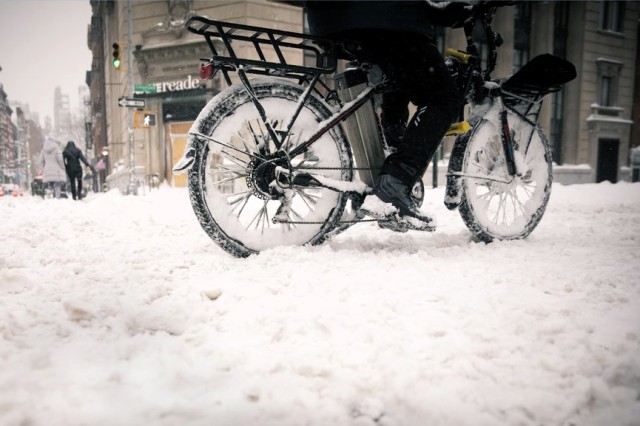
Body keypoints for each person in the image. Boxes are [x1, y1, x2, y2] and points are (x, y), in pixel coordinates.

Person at [298, 0, 471, 231]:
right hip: (382, 18)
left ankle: (389, 162)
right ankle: (396, 180)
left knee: (397, 79)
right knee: (444, 97)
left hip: (331, 20)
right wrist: (443, 11)